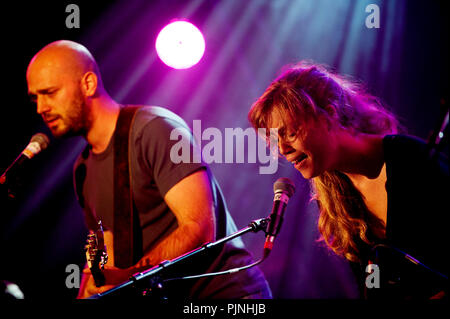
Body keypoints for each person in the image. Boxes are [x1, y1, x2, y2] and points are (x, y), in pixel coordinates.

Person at [26, 40, 272, 299]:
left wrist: (129, 277)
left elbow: (198, 229)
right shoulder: (83, 169)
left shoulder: (155, 129)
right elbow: (102, 247)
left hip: (225, 296)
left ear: (88, 83)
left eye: (50, 93)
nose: (41, 108)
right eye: (35, 98)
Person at [248, 61, 449, 299]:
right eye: (276, 140)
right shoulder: (337, 201)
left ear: (330, 114)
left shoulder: (409, 159)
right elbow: (372, 287)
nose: (282, 149)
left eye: (290, 133)